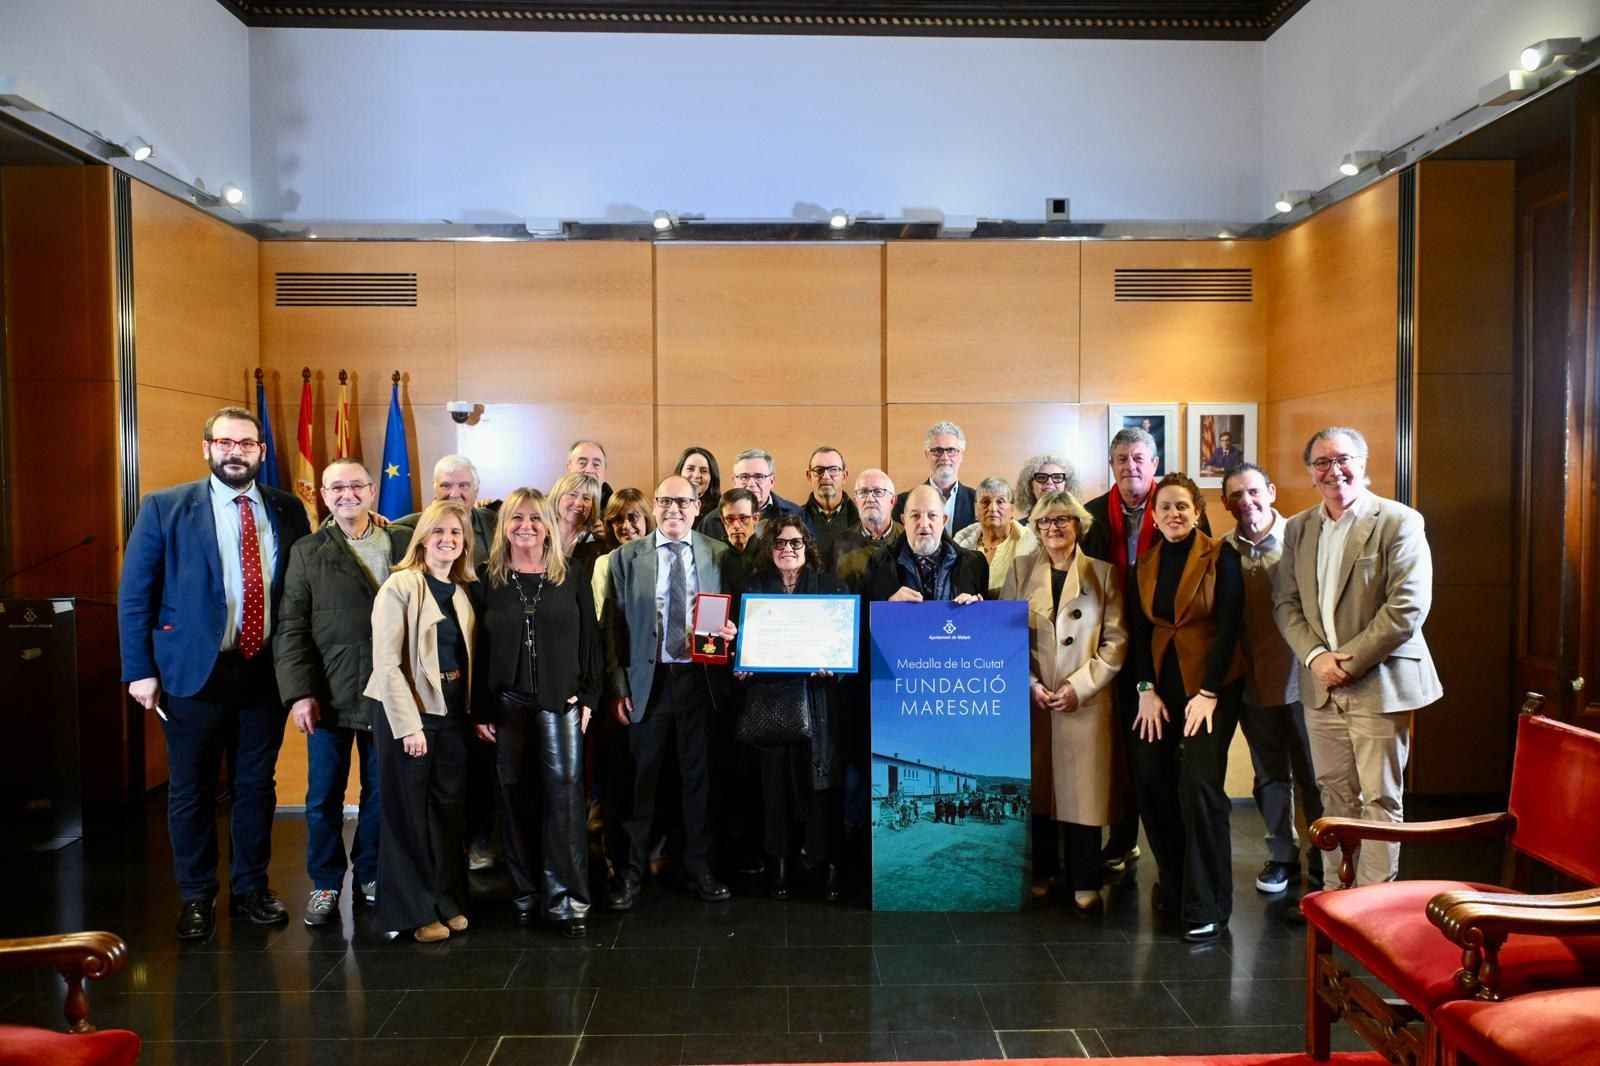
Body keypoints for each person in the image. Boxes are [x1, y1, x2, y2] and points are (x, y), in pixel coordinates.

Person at [119, 406, 312, 940]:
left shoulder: (288, 508)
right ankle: (197, 896)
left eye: (246, 444)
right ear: (207, 448)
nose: (235, 452)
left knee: (256, 786)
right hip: (190, 672)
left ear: (261, 452)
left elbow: (300, 591)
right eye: (225, 443)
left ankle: (251, 889)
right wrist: (139, 670)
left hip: (264, 670)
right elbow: (136, 595)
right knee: (192, 790)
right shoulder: (165, 507)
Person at [1273, 427, 1442, 887]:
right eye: (1322, 463)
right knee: (1333, 797)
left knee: (1380, 801)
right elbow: (1285, 604)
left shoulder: (1399, 521)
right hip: (1320, 687)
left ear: (1363, 464)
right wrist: (1314, 658)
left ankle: (1371, 905)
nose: (1334, 471)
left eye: (1343, 459)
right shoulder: (1299, 528)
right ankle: (1335, 895)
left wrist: (1345, 664)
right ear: (1311, 473)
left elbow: (1406, 607)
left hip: (1379, 683)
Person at [603, 476, 740, 908]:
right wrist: (618, 686)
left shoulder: (719, 554)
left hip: (701, 681)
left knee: (699, 781)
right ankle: (630, 874)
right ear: (654, 506)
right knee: (639, 782)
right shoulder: (626, 558)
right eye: (665, 501)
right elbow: (611, 630)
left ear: (698, 507)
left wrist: (734, 631)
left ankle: (700, 869)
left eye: (683, 501)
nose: (673, 509)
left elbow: (736, 611)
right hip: (649, 682)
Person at [275, 459, 400, 926]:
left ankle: (371, 873)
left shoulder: (401, 542)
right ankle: (326, 881)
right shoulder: (307, 551)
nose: (346, 495)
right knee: (323, 796)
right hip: (327, 694)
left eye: (355, 486)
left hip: (389, 693)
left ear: (372, 492)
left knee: (380, 792)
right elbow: (291, 628)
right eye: (336, 488)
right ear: (323, 496)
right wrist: (299, 694)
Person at [1081, 426, 1210, 876]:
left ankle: (1178, 857)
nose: (1130, 466)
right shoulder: (1093, 515)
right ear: (1111, 466)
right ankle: (1122, 838)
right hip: (1109, 642)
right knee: (1123, 746)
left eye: (1139, 458)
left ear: (1153, 464)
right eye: (1121, 459)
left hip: (1170, 650)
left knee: (1166, 755)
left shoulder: (1178, 508)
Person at [475, 488, 601, 938]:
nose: (525, 526)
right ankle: (526, 895)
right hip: (506, 704)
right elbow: (480, 648)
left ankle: (566, 898)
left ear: (548, 525)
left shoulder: (573, 575)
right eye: (516, 518)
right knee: (514, 799)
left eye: (535, 518)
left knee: (565, 800)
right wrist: (480, 707)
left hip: (560, 700)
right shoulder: (485, 579)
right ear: (503, 526)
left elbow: (591, 640)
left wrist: (589, 696)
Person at [1125, 473, 1244, 942]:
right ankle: (1174, 881)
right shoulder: (1146, 561)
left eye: (1183, 506)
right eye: (1166, 507)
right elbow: (1139, 631)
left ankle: (1207, 902)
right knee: (1149, 777)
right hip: (1159, 691)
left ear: (1197, 511)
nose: (1174, 514)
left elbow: (1231, 624)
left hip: (1212, 690)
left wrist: (1209, 692)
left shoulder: (1221, 555)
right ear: (1153, 516)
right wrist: (1144, 688)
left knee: (1198, 787)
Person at [1000, 491, 1126, 913]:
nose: (1054, 528)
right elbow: (1005, 639)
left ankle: (1085, 879)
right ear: (1035, 529)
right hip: (1033, 702)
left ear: (1079, 525)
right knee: (1038, 790)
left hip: (1083, 703)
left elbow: (1115, 641)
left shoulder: (1103, 575)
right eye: (1046, 522)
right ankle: (1043, 873)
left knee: (1082, 793)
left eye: (1063, 520)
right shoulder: (1019, 571)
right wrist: (1029, 683)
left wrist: (1081, 686)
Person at [365, 500, 477, 942]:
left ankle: (446, 901)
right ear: (422, 539)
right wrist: (409, 726)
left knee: (447, 812)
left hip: (451, 713)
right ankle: (413, 912)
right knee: (407, 814)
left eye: (455, 533)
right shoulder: (400, 586)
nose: (447, 540)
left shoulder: (462, 591)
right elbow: (387, 664)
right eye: (438, 532)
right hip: (406, 713)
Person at [1222, 462, 1324, 897]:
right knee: (1269, 776)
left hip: (1305, 680)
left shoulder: (1303, 538)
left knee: (1314, 775)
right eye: (1236, 496)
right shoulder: (1222, 550)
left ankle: (1324, 858)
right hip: (1252, 681)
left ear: (1271, 491)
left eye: (1253, 492)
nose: (1246, 502)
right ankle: (1282, 855)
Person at [733, 518, 849, 902]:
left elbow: (843, 649)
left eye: (795, 543)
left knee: (822, 786)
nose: (788, 550)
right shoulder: (753, 587)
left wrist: (833, 665)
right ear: (769, 548)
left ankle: (827, 861)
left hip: (817, 702)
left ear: (808, 546)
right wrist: (741, 661)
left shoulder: (831, 588)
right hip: (771, 701)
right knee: (775, 786)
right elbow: (738, 646)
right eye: (780, 544)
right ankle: (779, 862)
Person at [402, 455, 500, 871]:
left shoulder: (497, 529)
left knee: (479, 764)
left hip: (482, 659)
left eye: (463, 487)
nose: (455, 494)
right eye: (446, 487)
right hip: (429, 672)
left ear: (477, 492)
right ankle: (438, 853)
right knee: (437, 773)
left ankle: (478, 839)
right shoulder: (406, 529)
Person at [864, 483, 988, 605]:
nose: (923, 524)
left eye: (932, 515)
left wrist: (976, 609)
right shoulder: (879, 562)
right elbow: (865, 618)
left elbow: (987, 621)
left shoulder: (975, 563)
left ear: (943, 520)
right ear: (904, 521)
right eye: (915, 516)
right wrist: (889, 605)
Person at [700, 449, 810, 541]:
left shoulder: (796, 515)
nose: (751, 484)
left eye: (759, 477)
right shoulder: (711, 521)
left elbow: (812, 559)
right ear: (734, 481)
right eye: (744, 477)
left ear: (772, 481)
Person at [953, 476, 1037, 596]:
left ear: (1012, 509)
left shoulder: (1030, 545)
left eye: (1000, 501)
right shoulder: (960, 546)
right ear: (976, 509)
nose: (992, 508)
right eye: (985, 502)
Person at [892, 421, 976, 531]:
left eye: (951, 450)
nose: (945, 457)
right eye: (937, 450)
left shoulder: (978, 501)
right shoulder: (903, 503)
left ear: (961, 456)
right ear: (927, 455)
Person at [830, 469, 900, 585]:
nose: (870, 499)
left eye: (878, 492)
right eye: (863, 492)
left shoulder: (908, 539)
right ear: (855, 502)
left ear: (892, 501)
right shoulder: (839, 544)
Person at [801, 446, 858, 560]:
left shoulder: (862, 519)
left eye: (833, 470)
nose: (826, 476)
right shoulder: (796, 520)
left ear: (844, 476)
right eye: (818, 470)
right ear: (808, 476)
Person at [551, 471, 605, 576]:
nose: (578, 503)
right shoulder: (540, 537)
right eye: (572, 495)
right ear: (557, 498)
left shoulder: (597, 546)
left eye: (586, 498)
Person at [1013, 454, 1081, 521]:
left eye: (1057, 477)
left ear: (1066, 486)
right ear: (1030, 487)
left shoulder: (1079, 526)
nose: (1049, 482)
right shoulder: (1018, 530)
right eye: (1041, 477)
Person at [717, 488, 763, 579]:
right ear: (722, 520)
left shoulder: (768, 553)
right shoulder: (713, 554)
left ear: (756, 518)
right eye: (730, 519)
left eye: (743, 518)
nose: (736, 525)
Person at [672, 446, 722, 528]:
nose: (696, 475)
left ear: (712, 477)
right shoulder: (667, 506)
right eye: (690, 469)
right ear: (679, 473)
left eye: (704, 471)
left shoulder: (721, 511)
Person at [567, 439, 614, 516]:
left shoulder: (617, 511)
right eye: (582, 463)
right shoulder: (548, 509)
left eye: (596, 464)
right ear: (569, 469)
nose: (589, 470)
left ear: (604, 472)